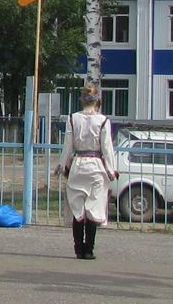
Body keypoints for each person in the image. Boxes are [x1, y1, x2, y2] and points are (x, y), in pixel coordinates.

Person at [55, 84, 118, 259]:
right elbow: (107, 148)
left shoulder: (73, 118)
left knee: (78, 209)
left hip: (78, 165)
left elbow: (68, 146)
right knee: (94, 208)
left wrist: (62, 166)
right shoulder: (103, 121)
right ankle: (89, 250)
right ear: (98, 100)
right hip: (96, 166)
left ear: (81, 99)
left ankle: (78, 248)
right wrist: (111, 171)